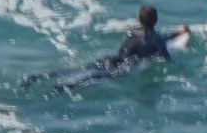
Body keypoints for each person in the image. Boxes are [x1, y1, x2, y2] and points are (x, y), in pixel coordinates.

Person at [26, 6, 191, 89]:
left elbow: (157, 38)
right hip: (125, 65)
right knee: (92, 79)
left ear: (139, 20)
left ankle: (39, 78)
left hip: (111, 59)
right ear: (155, 21)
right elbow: (166, 56)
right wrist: (180, 68)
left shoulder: (132, 31)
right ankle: (64, 88)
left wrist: (177, 32)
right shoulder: (156, 39)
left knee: (79, 69)